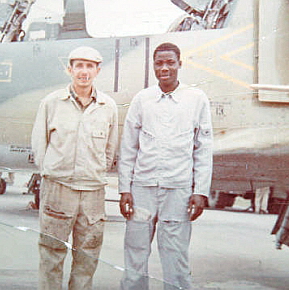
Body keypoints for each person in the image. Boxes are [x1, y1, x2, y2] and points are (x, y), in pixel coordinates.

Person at [118, 42, 213, 289]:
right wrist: (124, 189)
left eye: (170, 62)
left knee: (176, 259)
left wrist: (200, 191)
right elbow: (128, 147)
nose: (164, 68)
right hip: (142, 190)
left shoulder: (196, 99)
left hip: (178, 191)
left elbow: (203, 148)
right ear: (153, 66)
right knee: (135, 255)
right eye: (159, 63)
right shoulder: (142, 99)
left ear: (180, 64)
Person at [31, 46, 118, 290]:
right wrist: (53, 173)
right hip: (59, 189)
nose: (84, 71)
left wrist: (93, 173)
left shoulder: (107, 106)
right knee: (51, 254)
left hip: (92, 193)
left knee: (87, 257)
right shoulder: (51, 103)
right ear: (69, 69)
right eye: (79, 65)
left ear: (98, 71)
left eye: (90, 66)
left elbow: (110, 150)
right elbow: (40, 145)